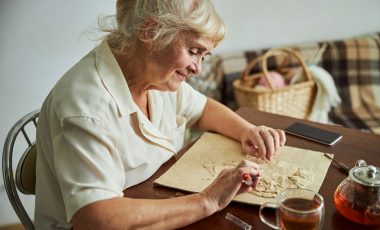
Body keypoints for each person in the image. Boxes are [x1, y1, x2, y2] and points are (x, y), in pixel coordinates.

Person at [35, 0, 286, 229]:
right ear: (151, 33)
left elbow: (203, 108)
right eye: (194, 51)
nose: (197, 69)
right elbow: (96, 218)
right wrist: (207, 200)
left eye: (203, 55)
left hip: (155, 199)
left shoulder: (155, 74)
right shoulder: (86, 106)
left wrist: (246, 130)